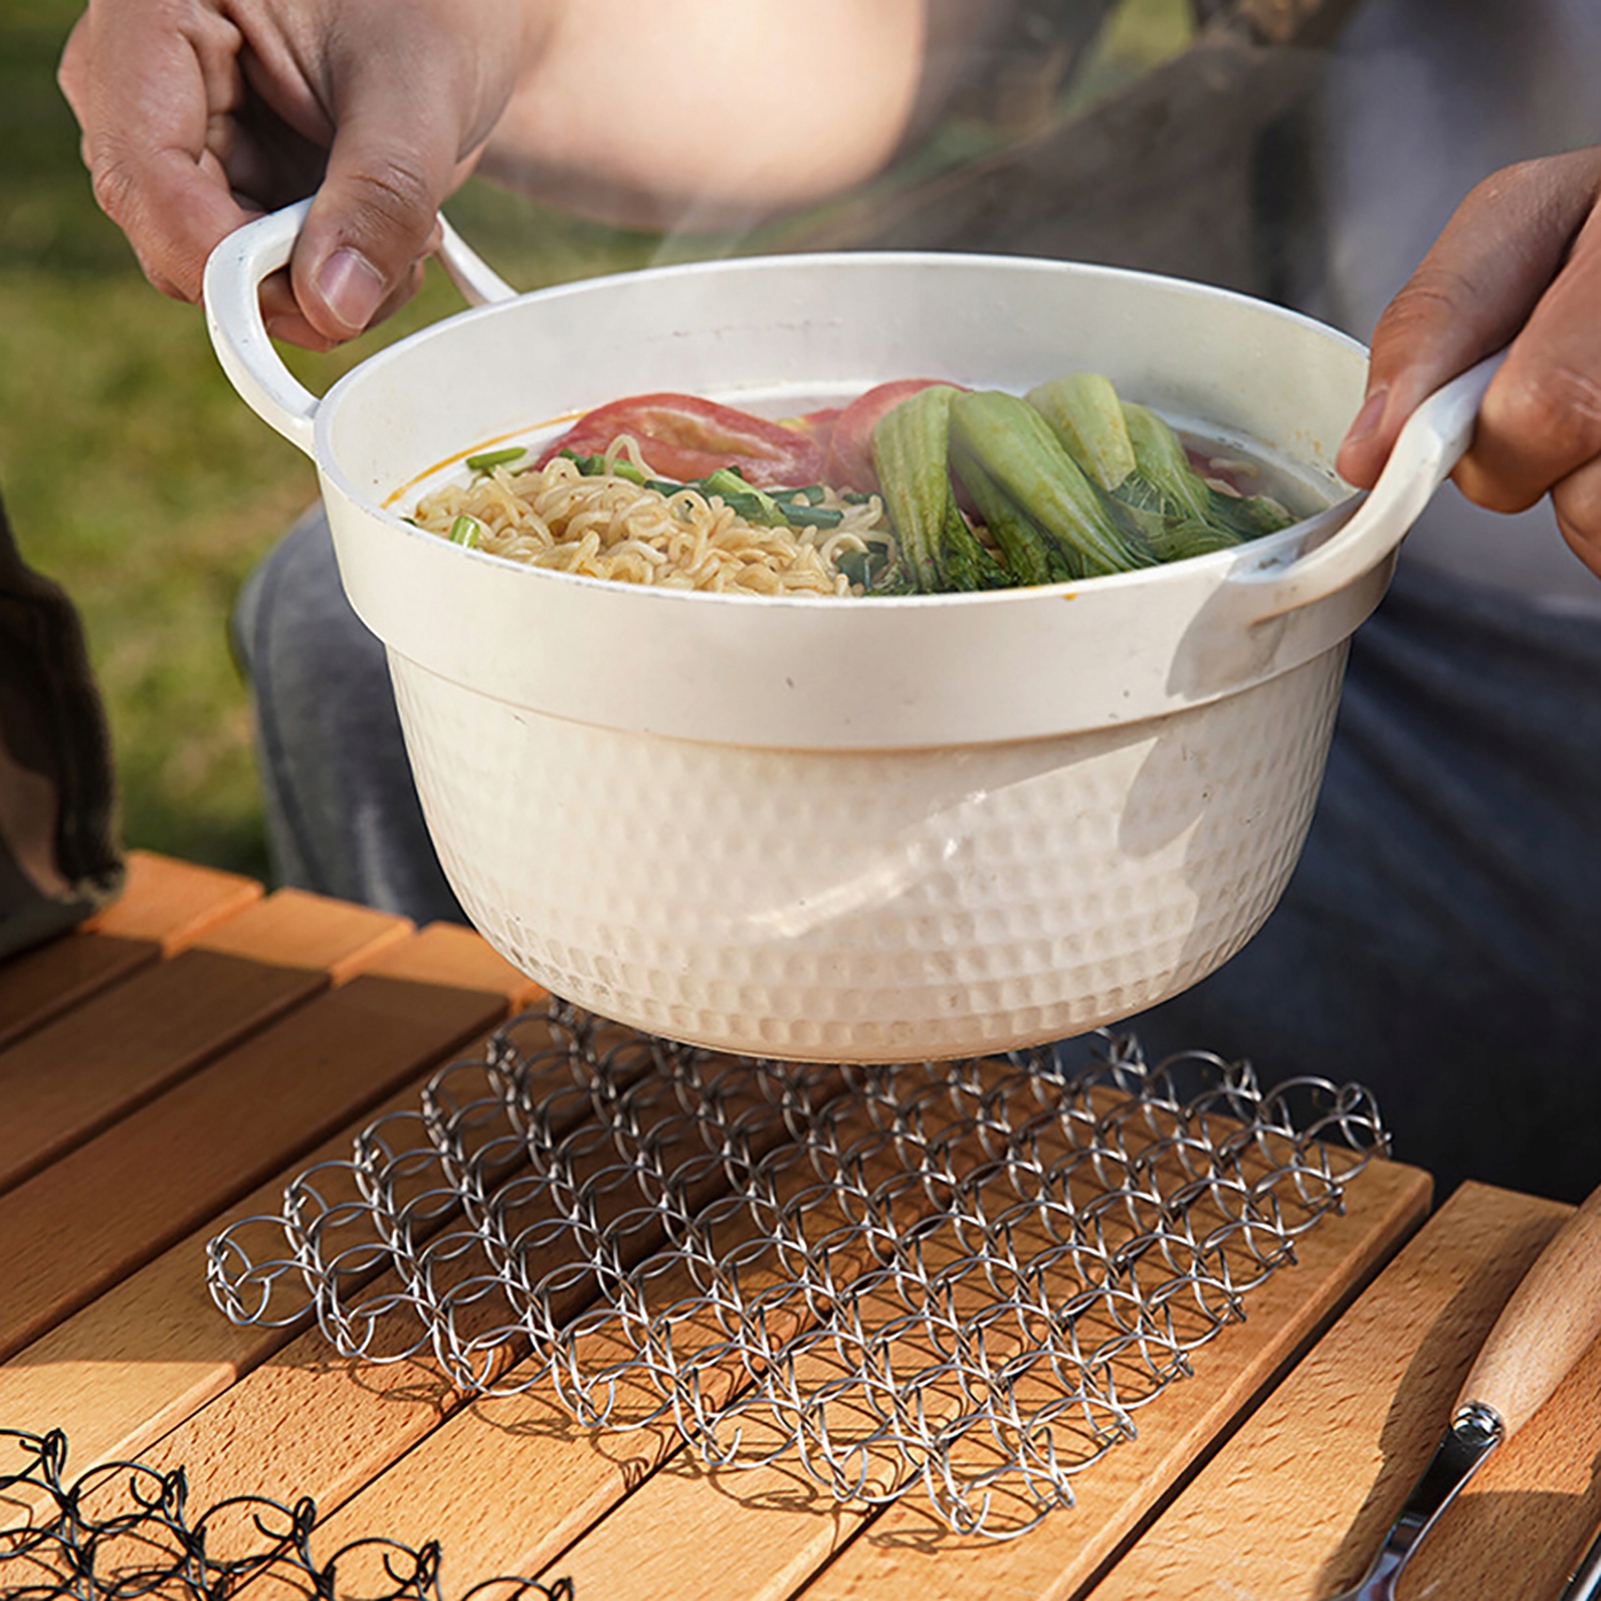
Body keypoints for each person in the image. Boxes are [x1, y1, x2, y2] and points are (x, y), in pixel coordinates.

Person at [56, 0, 1601, 1199]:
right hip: (1325, 514)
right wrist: (482, 24)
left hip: (1476, 696)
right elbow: (888, 28)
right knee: (348, 630)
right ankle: (594, 1259)